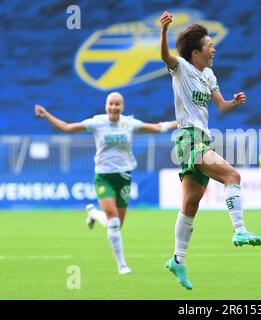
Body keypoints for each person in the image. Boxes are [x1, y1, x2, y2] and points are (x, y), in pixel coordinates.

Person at [159, 11, 261, 290]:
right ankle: (240, 230)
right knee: (232, 176)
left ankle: (177, 262)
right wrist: (163, 33)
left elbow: (221, 107)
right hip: (187, 139)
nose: (213, 49)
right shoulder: (181, 67)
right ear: (196, 51)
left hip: (202, 141)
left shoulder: (208, 75)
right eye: (209, 45)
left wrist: (234, 101)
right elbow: (165, 58)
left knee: (190, 206)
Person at [35, 92, 177, 275]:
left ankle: (94, 213)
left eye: (117, 104)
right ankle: (122, 265)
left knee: (116, 224)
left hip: (124, 177)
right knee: (114, 223)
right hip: (103, 177)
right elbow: (68, 128)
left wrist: (181, 122)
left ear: (122, 107)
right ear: (106, 106)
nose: (114, 107)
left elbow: (159, 127)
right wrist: (46, 115)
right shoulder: (97, 122)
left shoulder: (129, 123)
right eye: (111, 104)